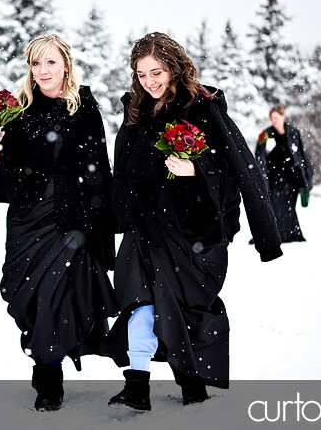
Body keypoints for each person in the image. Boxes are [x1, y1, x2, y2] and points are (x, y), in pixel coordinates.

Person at [107, 32, 283, 411]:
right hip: (145, 228)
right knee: (139, 299)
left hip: (193, 234)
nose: (149, 81)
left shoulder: (202, 108)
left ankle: (193, 385)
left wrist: (196, 168)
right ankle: (136, 385)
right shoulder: (136, 113)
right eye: (141, 74)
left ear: (173, 67)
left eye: (156, 72)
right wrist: (114, 218)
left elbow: (241, 172)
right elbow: (121, 171)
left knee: (183, 311)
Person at [0, 34, 119, 411]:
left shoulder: (84, 109)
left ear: (66, 64)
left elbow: (97, 169)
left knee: (57, 298)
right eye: (36, 63)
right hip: (26, 222)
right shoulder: (16, 112)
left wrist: (96, 219)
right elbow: (6, 176)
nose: (43, 70)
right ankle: (45, 360)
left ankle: (49, 376)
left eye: (50, 62)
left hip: (69, 221)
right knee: (27, 297)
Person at [254, 104, 313, 243]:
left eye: (276, 117)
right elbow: (259, 155)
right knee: (275, 204)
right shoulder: (265, 134)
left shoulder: (293, 132)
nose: (273, 120)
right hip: (273, 177)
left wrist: (307, 174)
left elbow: (302, 154)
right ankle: (276, 235)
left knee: (289, 206)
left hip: (291, 176)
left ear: (282, 116)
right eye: (271, 118)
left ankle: (290, 234)